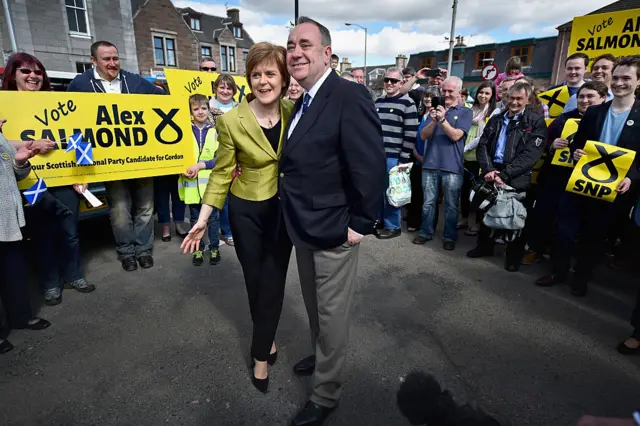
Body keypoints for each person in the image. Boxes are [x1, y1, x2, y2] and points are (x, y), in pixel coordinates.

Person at [283, 17, 386, 426]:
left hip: (335, 229)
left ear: (327, 53)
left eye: (305, 44)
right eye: (291, 45)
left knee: (332, 314)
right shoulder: (302, 100)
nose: (295, 52)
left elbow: (370, 165)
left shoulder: (349, 95)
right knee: (315, 307)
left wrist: (360, 222)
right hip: (304, 226)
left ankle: (326, 394)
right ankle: (323, 357)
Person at [181, 42, 294, 393]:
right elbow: (221, 172)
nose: (263, 81)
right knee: (256, 281)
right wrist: (203, 217)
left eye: (270, 73)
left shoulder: (295, 110)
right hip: (246, 209)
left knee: (274, 282)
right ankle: (267, 339)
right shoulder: (230, 120)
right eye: (256, 74)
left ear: (283, 78)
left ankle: (260, 354)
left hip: (283, 210)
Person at [534, 55, 640, 296]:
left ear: (637, 81)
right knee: (563, 230)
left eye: (627, 78)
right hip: (580, 182)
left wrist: (632, 177)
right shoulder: (594, 113)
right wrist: (575, 152)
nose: (620, 83)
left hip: (614, 189)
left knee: (594, 237)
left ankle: (581, 277)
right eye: (618, 77)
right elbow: (576, 145)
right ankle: (558, 271)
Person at [2, 52, 95, 305]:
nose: (33, 76)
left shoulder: (58, 102)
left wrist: (82, 174)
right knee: (42, 235)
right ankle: (51, 284)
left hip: (65, 179)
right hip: (29, 182)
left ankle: (74, 275)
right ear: (13, 75)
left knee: (69, 231)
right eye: (25, 71)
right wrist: (30, 143)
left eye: (37, 71)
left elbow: (79, 136)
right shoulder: (3, 105)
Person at [68, 41, 163, 271]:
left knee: (146, 208)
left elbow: (163, 100)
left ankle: (144, 250)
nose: (112, 63)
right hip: (110, 163)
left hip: (141, 159)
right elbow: (70, 121)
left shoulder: (133, 80)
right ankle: (127, 253)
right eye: (106, 59)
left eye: (115, 58)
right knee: (119, 210)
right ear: (93, 61)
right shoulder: (80, 85)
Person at [467, 82, 547, 271]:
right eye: (511, 98)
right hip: (491, 172)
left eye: (519, 98)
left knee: (515, 218)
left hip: (516, 176)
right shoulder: (496, 119)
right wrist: (488, 170)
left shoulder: (535, 121)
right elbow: (483, 145)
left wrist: (505, 174)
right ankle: (484, 247)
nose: (514, 102)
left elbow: (531, 155)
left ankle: (513, 257)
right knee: (486, 210)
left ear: (527, 99)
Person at [525, 81, 608, 264]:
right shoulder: (564, 118)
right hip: (556, 177)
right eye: (581, 97)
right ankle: (536, 250)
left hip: (589, 182)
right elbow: (542, 139)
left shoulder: (607, 121)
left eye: (590, 97)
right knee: (544, 215)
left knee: (574, 226)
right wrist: (552, 145)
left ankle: (569, 262)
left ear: (603, 98)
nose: (584, 100)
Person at [0, 131, 50, 354]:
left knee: (14, 273)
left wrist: (20, 162)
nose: (2, 121)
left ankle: (21, 317)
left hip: (9, 219)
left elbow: (17, 173)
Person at [413, 76, 473, 250]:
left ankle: (449, 236)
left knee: (452, 205)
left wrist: (442, 120)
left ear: (459, 92)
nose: (446, 94)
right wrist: (433, 119)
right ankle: (425, 232)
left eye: (450, 91)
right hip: (430, 164)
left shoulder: (465, 112)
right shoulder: (432, 111)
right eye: (443, 91)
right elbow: (423, 135)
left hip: (452, 166)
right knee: (428, 203)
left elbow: (455, 136)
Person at [374, 67, 418, 239]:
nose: (389, 83)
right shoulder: (378, 102)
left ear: (401, 83)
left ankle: (393, 226)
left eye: (393, 81)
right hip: (377, 156)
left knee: (393, 192)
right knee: (377, 191)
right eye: (387, 80)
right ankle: (379, 221)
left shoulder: (408, 103)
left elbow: (411, 132)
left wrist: (403, 159)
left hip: (394, 157)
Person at [178, 94, 221, 266]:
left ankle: (214, 247)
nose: (200, 111)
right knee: (196, 219)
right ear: (190, 111)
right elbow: (177, 157)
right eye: (196, 109)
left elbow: (220, 158)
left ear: (209, 110)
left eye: (204, 108)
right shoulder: (183, 131)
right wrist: (183, 169)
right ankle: (198, 249)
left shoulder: (214, 131)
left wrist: (201, 166)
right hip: (191, 187)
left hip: (210, 186)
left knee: (213, 219)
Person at [460, 81, 496, 236]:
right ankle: (464, 218)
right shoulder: (470, 109)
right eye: (481, 92)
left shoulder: (493, 112)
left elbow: (483, 137)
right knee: (463, 189)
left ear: (492, 96)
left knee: (477, 191)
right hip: (463, 156)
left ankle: (475, 222)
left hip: (478, 156)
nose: (483, 95)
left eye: (487, 93)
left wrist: (465, 148)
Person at [407, 88, 439, 232]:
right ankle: (414, 221)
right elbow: (412, 136)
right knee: (416, 193)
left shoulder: (439, 116)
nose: (428, 99)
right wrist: (415, 154)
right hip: (417, 159)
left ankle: (429, 225)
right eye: (426, 96)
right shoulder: (418, 116)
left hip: (433, 161)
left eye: (431, 97)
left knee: (430, 197)